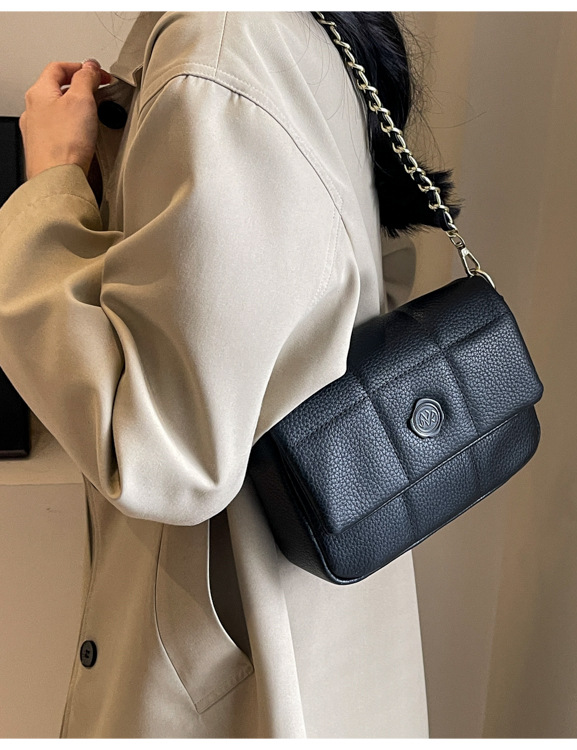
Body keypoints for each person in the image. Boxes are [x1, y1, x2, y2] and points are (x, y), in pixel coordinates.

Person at [0, 11, 460, 738]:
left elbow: (165, 452)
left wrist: (51, 186)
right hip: (306, 600)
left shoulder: (215, 56)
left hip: (228, 657)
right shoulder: (287, 30)